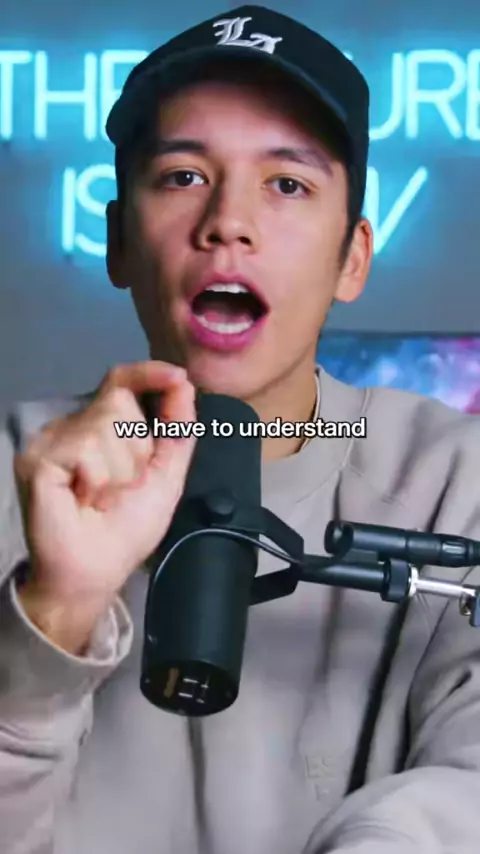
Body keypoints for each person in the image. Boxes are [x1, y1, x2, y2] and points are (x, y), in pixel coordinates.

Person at [1, 5, 480, 853]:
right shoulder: (18, 469)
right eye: (183, 176)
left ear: (353, 258)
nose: (228, 221)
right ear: (117, 240)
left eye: (287, 184)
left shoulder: (457, 480)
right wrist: (54, 614)